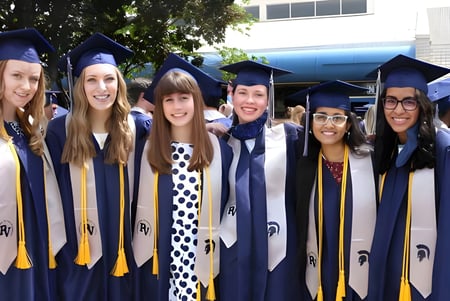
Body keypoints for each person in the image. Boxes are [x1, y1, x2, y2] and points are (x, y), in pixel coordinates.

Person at [45, 32, 148, 301]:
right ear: (81, 86)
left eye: (109, 79)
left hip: (125, 249)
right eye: (92, 79)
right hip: (78, 251)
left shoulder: (137, 129)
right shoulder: (59, 132)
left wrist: (209, 129)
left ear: (119, 84)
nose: (101, 88)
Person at [132, 61, 232, 300]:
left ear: (196, 100)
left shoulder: (219, 151)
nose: (177, 107)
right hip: (158, 257)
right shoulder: (145, 152)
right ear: (160, 106)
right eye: (168, 100)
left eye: (183, 98)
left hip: (202, 258)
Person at [367, 54, 450, 300]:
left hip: (425, 279)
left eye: (409, 102)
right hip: (385, 275)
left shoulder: (443, 149)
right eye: (391, 101)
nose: (398, 110)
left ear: (423, 104)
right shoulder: (385, 151)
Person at [219, 60, 302, 300]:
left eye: (258, 94)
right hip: (232, 245)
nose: (249, 101)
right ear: (231, 94)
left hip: (279, 247)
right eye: (242, 93)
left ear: (268, 99)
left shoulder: (290, 138)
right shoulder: (223, 142)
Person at [292, 80, 376, 301]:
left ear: (348, 125)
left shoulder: (371, 162)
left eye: (337, 118)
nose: (328, 124)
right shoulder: (302, 167)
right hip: (318, 267)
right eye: (321, 117)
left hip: (363, 264)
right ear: (310, 122)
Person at [0, 28, 66, 301]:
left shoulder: (32, 130)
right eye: (16, 75)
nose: (26, 86)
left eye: (34, 79)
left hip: (37, 245)